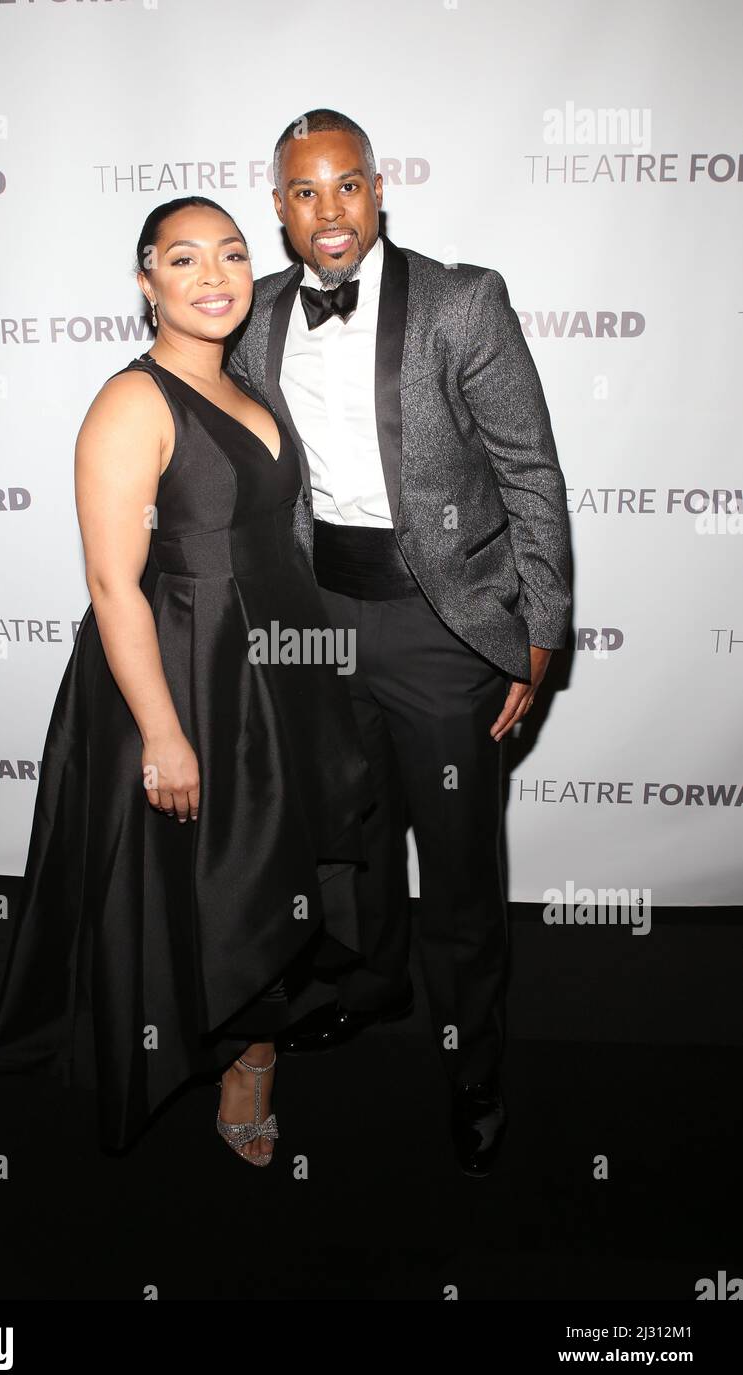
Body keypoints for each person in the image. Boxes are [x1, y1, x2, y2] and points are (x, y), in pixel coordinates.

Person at [0, 195, 372, 1167]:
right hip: (187, 676)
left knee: (276, 870)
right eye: (184, 257)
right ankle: (214, 1049)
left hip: (275, 671)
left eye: (232, 255)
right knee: (202, 880)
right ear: (146, 279)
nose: (212, 275)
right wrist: (161, 732)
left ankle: (255, 1047)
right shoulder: (130, 400)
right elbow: (114, 582)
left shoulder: (248, 385)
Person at [228, 110, 572, 1176]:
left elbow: (528, 470)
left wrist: (535, 631)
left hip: (439, 627)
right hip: (316, 623)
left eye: (344, 186)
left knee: (459, 866)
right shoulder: (255, 315)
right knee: (345, 838)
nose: (326, 212)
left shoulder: (462, 302)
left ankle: (471, 1060)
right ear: (277, 206)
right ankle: (366, 985)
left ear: (377, 189)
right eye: (301, 192)